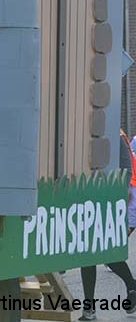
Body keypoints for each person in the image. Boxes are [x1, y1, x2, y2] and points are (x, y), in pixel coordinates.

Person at [78, 130, 136, 321]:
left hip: (110, 204)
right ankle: (90, 308)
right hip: (91, 201)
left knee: (103, 253)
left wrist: (118, 198)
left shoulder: (115, 134)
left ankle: (131, 287)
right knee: (90, 253)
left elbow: (127, 170)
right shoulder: (89, 133)